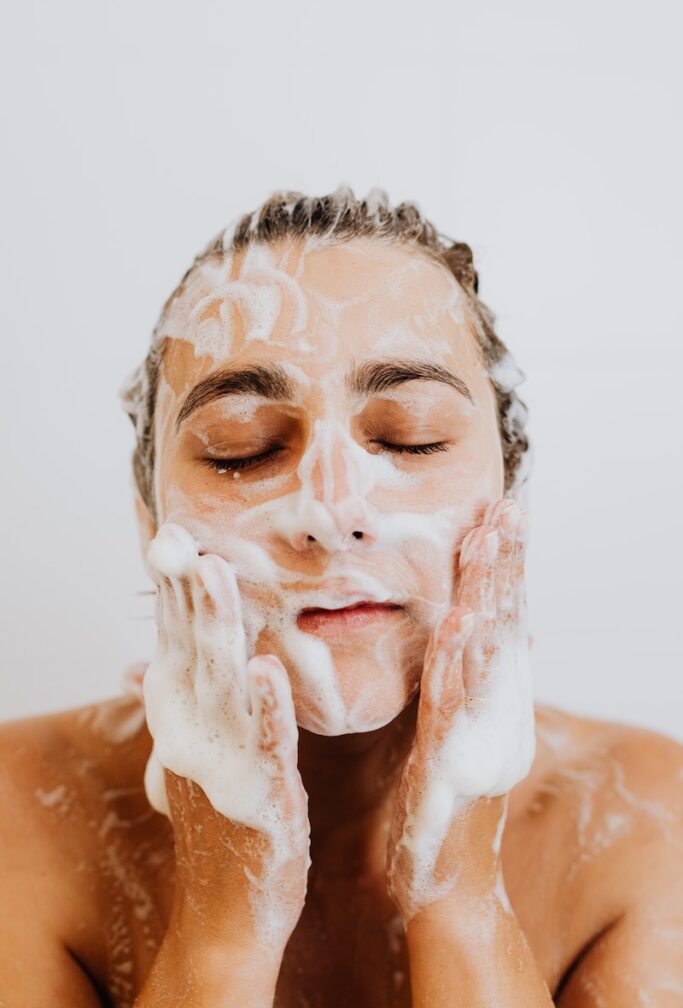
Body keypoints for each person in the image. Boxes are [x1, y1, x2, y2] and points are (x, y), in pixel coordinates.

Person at [1, 186, 682, 1008]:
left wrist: (460, 897)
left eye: (410, 436)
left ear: (512, 500)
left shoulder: (651, 824)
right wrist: (225, 925)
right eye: (239, 448)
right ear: (152, 518)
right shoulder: (21, 817)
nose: (332, 512)